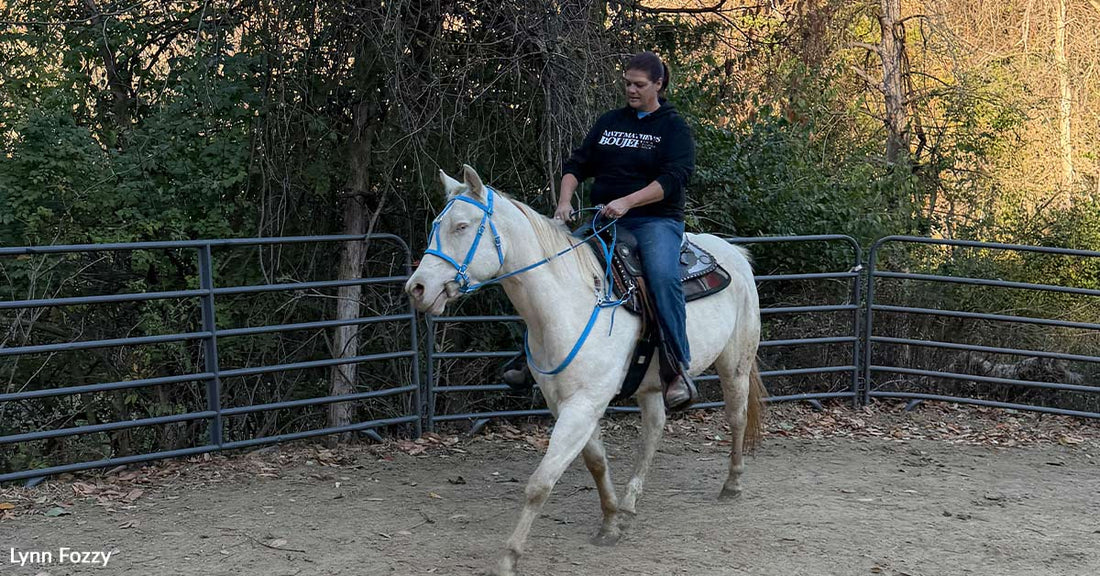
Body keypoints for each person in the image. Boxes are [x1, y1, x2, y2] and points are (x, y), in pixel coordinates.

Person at [555, 51, 697, 410]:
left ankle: (677, 368)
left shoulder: (673, 127)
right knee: (555, 266)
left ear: (658, 85)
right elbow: (577, 164)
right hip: (606, 219)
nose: (631, 90)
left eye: (639, 85)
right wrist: (564, 201)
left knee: (663, 277)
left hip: (655, 220)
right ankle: (533, 358)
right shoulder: (610, 122)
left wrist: (628, 202)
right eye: (627, 84)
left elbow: (673, 180)